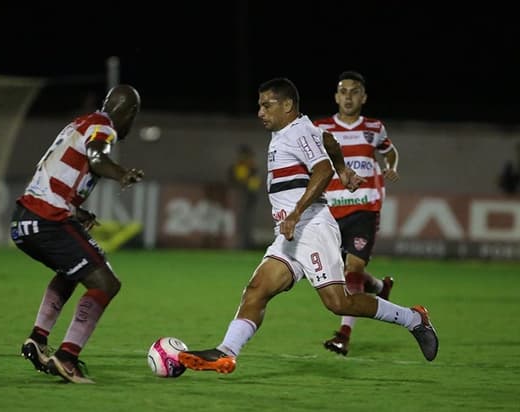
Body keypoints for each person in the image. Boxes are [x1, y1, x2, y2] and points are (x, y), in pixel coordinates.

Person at [178, 78, 438, 374]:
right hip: (290, 234)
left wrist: (296, 212)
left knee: (339, 302)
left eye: (267, 105)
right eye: (259, 106)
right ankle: (226, 352)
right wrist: (343, 168)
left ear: (287, 105)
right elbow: (328, 140)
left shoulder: (297, 130)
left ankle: (414, 319)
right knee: (257, 289)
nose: (260, 112)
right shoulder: (297, 129)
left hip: (311, 226)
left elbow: (322, 169)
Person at [12, 84, 143, 384]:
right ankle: (67, 357)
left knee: (74, 270)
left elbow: (55, 172)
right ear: (129, 112)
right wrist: (121, 173)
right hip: (47, 219)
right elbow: (97, 158)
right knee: (106, 283)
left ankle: (38, 338)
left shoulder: (79, 123)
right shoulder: (104, 127)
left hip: (24, 219)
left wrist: (76, 210)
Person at [312, 70, 399, 356]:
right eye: (343, 91)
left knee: (352, 270)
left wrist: (392, 166)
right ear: (336, 97)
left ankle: (343, 334)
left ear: (363, 97)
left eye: (354, 91)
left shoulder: (373, 128)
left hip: (365, 207)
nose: (348, 97)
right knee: (339, 271)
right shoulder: (321, 128)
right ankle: (378, 286)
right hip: (330, 210)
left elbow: (390, 151)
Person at [228, 144, 261, 249]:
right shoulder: (238, 167)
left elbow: (254, 184)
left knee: (247, 222)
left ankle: (246, 243)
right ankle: (238, 243)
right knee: (239, 222)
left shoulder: (252, 168)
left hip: (249, 197)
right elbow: (235, 181)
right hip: (239, 197)